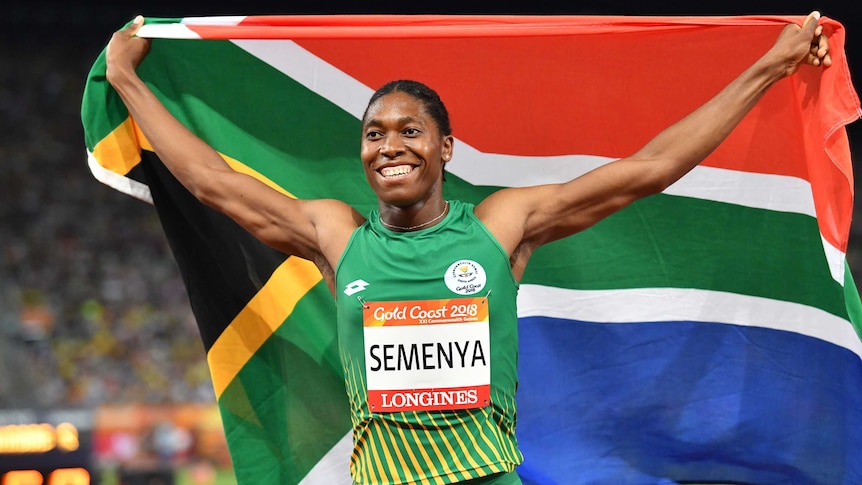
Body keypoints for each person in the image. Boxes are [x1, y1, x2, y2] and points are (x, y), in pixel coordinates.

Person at [105, 12, 832, 485]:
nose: (389, 145)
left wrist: (771, 64)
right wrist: (126, 78)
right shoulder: (335, 234)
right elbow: (210, 182)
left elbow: (651, 168)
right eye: (374, 133)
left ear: (445, 147)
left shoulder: (499, 227)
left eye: (409, 130)